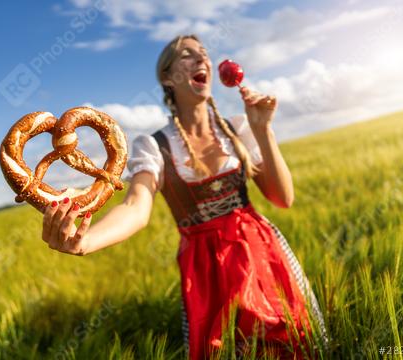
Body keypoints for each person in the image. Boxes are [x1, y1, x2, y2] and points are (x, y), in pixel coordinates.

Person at [41, 34, 328, 359]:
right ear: (167, 77)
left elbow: (282, 198)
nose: (201, 60)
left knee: (289, 341)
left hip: (262, 252)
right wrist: (85, 241)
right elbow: (136, 206)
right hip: (206, 270)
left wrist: (263, 130)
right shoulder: (155, 146)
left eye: (204, 55)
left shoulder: (237, 128)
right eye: (188, 56)